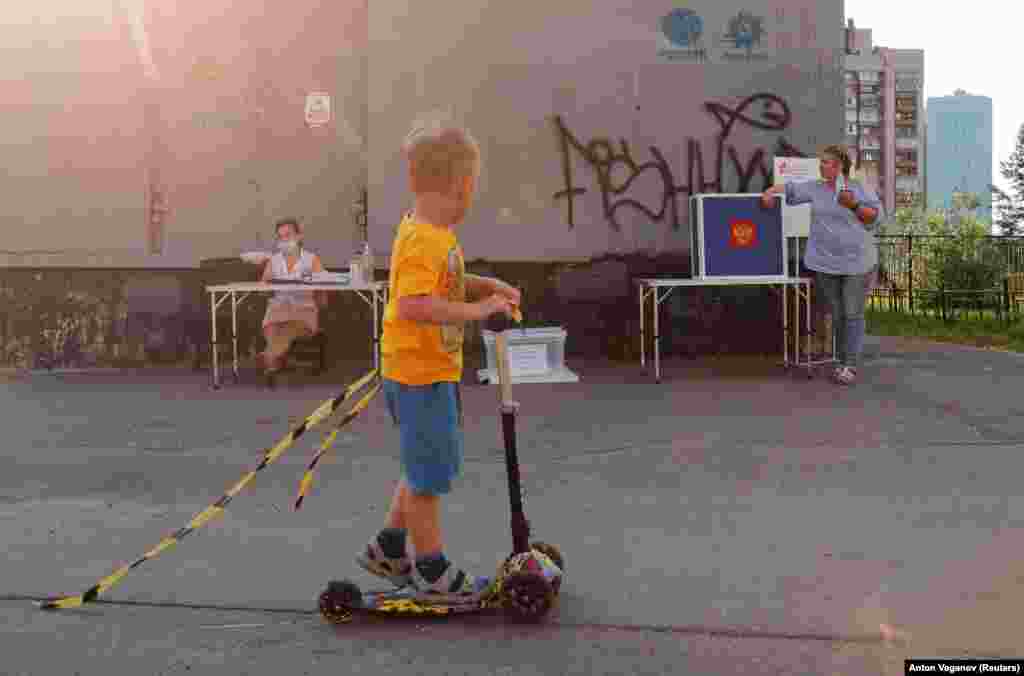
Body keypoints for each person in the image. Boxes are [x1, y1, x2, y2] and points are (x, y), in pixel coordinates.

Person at [355, 116, 521, 601]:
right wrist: (478, 310)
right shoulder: (425, 238)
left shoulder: (432, 232)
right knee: (429, 477)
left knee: (422, 463)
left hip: (426, 369)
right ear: (461, 185)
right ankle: (430, 570)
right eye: (473, 185)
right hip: (419, 373)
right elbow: (413, 304)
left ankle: (388, 546)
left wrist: (486, 286)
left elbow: (439, 288)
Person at [761, 144, 882, 385]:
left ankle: (850, 365)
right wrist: (769, 192)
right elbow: (791, 188)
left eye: (826, 162)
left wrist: (854, 205)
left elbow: (875, 217)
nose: (821, 165)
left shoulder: (857, 189)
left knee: (852, 312)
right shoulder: (815, 188)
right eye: (821, 161)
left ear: (839, 167)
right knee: (837, 314)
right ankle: (841, 360)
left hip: (856, 262)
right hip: (825, 262)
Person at [259, 218, 328, 374]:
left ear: (299, 236)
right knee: (271, 326)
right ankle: (274, 358)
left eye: (288, 235)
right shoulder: (273, 260)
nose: (284, 240)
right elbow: (262, 288)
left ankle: (270, 357)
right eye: (281, 237)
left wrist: (321, 302)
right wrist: (266, 279)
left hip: (303, 311)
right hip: (278, 309)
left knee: (290, 327)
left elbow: (324, 286)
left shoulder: (311, 259)